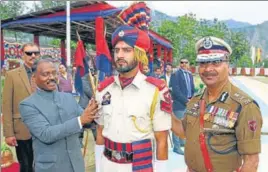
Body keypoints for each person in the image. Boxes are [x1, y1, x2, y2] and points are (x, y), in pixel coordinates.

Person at [94, 2, 172, 172]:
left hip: (139, 167)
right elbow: (100, 132)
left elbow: (162, 140)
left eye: (127, 50)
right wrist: (98, 167)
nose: (120, 55)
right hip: (108, 164)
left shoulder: (156, 91)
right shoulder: (103, 90)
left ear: (139, 54)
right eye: (117, 50)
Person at [172, 36, 262, 172]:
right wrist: (163, 111)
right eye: (203, 63)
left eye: (216, 62)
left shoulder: (244, 106)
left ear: (228, 64)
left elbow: (251, 162)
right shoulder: (195, 101)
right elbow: (184, 132)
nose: (208, 69)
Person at [19, 59, 99, 172]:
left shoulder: (68, 98)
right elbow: (46, 134)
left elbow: (87, 121)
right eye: (45, 74)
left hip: (76, 165)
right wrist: (80, 120)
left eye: (54, 73)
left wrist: (94, 111)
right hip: (51, 167)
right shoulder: (28, 105)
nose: (51, 77)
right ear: (34, 78)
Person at [2, 43, 41, 172]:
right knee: (26, 166)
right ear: (22, 55)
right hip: (22, 129)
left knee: (43, 165)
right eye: (29, 53)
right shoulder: (12, 75)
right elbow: (7, 105)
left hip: (45, 128)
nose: (33, 56)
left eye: (36, 52)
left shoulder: (46, 73)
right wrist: (8, 133)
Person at [169, 58, 194, 155]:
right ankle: (176, 146)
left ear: (189, 63)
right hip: (179, 103)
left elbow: (191, 88)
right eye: (182, 62)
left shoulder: (190, 75)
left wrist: (191, 99)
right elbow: (176, 90)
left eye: (186, 62)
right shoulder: (175, 75)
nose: (183, 64)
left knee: (184, 124)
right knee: (177, 124)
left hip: (188, 102)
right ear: (179, 64)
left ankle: (182, 142)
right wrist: (185, 101)